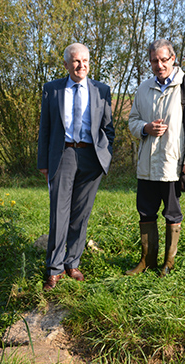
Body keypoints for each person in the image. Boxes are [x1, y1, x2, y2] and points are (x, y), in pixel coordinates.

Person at [37, 43, 115, 291]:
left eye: (85, 61)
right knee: (59, 213)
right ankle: (54, 269)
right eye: (76, 61)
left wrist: (105, 154)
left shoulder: (102, 90)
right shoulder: (52, 90)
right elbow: (45, 128)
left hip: (91, 156)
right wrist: (43, 162)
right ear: (66, 64)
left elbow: (108, 128)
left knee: (81, 213)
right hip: (63, 155)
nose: (81, 65)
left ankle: (73, 263)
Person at [126, 39, 185, 276]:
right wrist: (145, 128)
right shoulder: (143, 88)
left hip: (174, 164)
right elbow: (132, 122)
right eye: (154, 60)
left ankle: (168, 264)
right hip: (146, 165)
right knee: (145, 212)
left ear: (173, 58)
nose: (159, 65)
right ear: (149, 62)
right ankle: (147, 261)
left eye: (163, 59)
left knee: (172, 213)